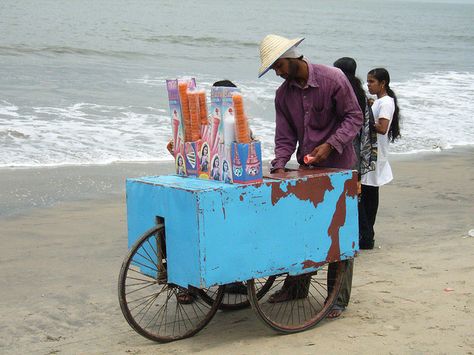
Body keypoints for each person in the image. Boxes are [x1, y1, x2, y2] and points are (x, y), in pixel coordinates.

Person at [258, 34, 363, 318]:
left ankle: (337, 298)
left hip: (340, 167)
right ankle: (296, 288)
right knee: (302, 227)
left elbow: (354, 117)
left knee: (338, 232)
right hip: (308, 170)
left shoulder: (334, 79)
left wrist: (330, 145)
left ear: (292, 58)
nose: (277, 73)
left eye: (278, 66)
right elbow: (285, 136)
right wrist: (279, 164)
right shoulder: (283, 95)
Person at [333, 57, 378, 250]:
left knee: (351, 194)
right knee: (356, 193)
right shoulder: (359, 92)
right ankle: (365, 236)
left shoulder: (345, 91)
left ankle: (364, 237)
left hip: (347, 148)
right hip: (359, 150)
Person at [360, 68, 401, 249]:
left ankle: (368, 235)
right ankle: (367, 234)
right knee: (368, 193)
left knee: (369, 193)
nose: (368, 85)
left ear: (382, 83)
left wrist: (365, 120)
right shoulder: (380, 101)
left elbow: (383, 128)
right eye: (368, 82)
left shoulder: (386, 103)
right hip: (373, 151)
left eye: (371, 82)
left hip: (376, 152)